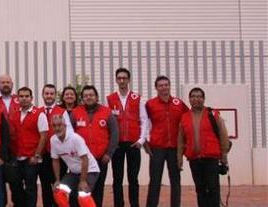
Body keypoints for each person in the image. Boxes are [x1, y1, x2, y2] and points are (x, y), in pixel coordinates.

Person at [177, 87, 230, 207]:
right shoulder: (184, 117)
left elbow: (223, 134)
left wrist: (224, 155)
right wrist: (179, 157)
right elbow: (180, 139)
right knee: (200, 189)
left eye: (199, 96)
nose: (196, 99)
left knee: (213, 188)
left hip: (211, 158)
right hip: (194, 159)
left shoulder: (212, 114)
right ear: (189, 99)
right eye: (193, 96)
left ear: (204, 99)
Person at [107, 68, 149, 207]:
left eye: (124, 78)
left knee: (133, 178)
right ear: (116, 80)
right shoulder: (110, 98)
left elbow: (144, 120)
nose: (122, 81)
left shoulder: (138, 98)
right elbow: (107, 123)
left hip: (133, 144)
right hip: (117, 145)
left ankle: (134, 204)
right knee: (117, 178)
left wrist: (141, 140)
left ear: (129, 80)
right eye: (119, 78)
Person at [145, 76, 188, 207]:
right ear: (156, 88)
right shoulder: (150, 104)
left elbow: (188, 121)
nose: (164, 88)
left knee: (175, 180)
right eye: (161, 85)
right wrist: (145, 143)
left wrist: (185, 144)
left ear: (170, 86)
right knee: (155, 180)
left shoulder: (178, 103)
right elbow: (143, 124)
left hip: (174, 148)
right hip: (157, 147)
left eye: (166, 85)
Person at [72, 86, 118, 207]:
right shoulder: (76, 112)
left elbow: (114, 133)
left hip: (101, 158)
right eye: (86, 95)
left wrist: (109, 153)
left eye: (91, 95)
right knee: (81, 189)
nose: (89, 97)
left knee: (98, 188)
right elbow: (69, 134)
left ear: (96, 97)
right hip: (81, 160)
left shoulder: (107, 112)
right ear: (82, 98)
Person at [49, 115, 99, 207]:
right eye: (54, 126)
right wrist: (57, 180)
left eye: (59, 125)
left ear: (65, 126)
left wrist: (83, 181)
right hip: (74, 172)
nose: (57, 128)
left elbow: (85, 159)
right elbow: (55, 160)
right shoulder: (53, 140)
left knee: (83, 195)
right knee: (58, 191)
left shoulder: (75, 138)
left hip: (90, 171)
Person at [10, 87, 48, 207]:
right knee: (16, 186)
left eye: (27, 96)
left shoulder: (39, 114)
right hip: (17, 158)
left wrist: (36, 156)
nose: (24, 99)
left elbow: (44, 136)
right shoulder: (15, 114)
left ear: (31, 98)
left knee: (30, 187)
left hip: (31, 158)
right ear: (18, 99)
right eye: (21, 96)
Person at [40, 84, 69, 207]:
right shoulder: (38, 111)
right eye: (46, 93)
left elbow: (68, 132)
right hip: (43, 155)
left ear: (55, 95)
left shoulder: (63, 112)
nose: (49, 96)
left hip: (59, 156)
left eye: (51, 93)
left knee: (59, 186)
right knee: (45, 186)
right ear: (43, 95)